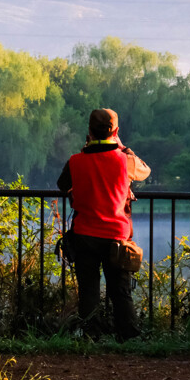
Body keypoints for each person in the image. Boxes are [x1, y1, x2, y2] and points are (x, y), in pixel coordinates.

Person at [56, 108, 150, 341]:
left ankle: (91, 337)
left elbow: (62, 184)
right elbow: (145, 171)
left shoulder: (76, 161)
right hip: (116, 236)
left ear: (89, 131)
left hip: (84, 234)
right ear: (116, 131)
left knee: (89, 291)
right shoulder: (125, 160)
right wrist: (123, 147)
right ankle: (128, 337)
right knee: (120, 291)